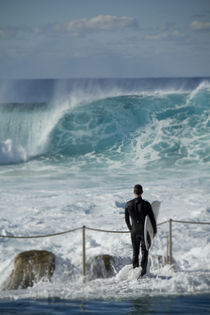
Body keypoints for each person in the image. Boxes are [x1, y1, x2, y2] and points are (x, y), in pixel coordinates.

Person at [125, 184, 157, 277]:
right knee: (145, 252)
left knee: (135, 252)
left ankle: (135, 273)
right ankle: (142, 274)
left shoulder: (128, 204)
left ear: (134, 192)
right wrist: (154, 230)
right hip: (144, 231)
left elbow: (126, 220)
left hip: (134, 231)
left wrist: (130, 228)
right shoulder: (146, 204)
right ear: (142, 192)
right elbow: (152, 218)